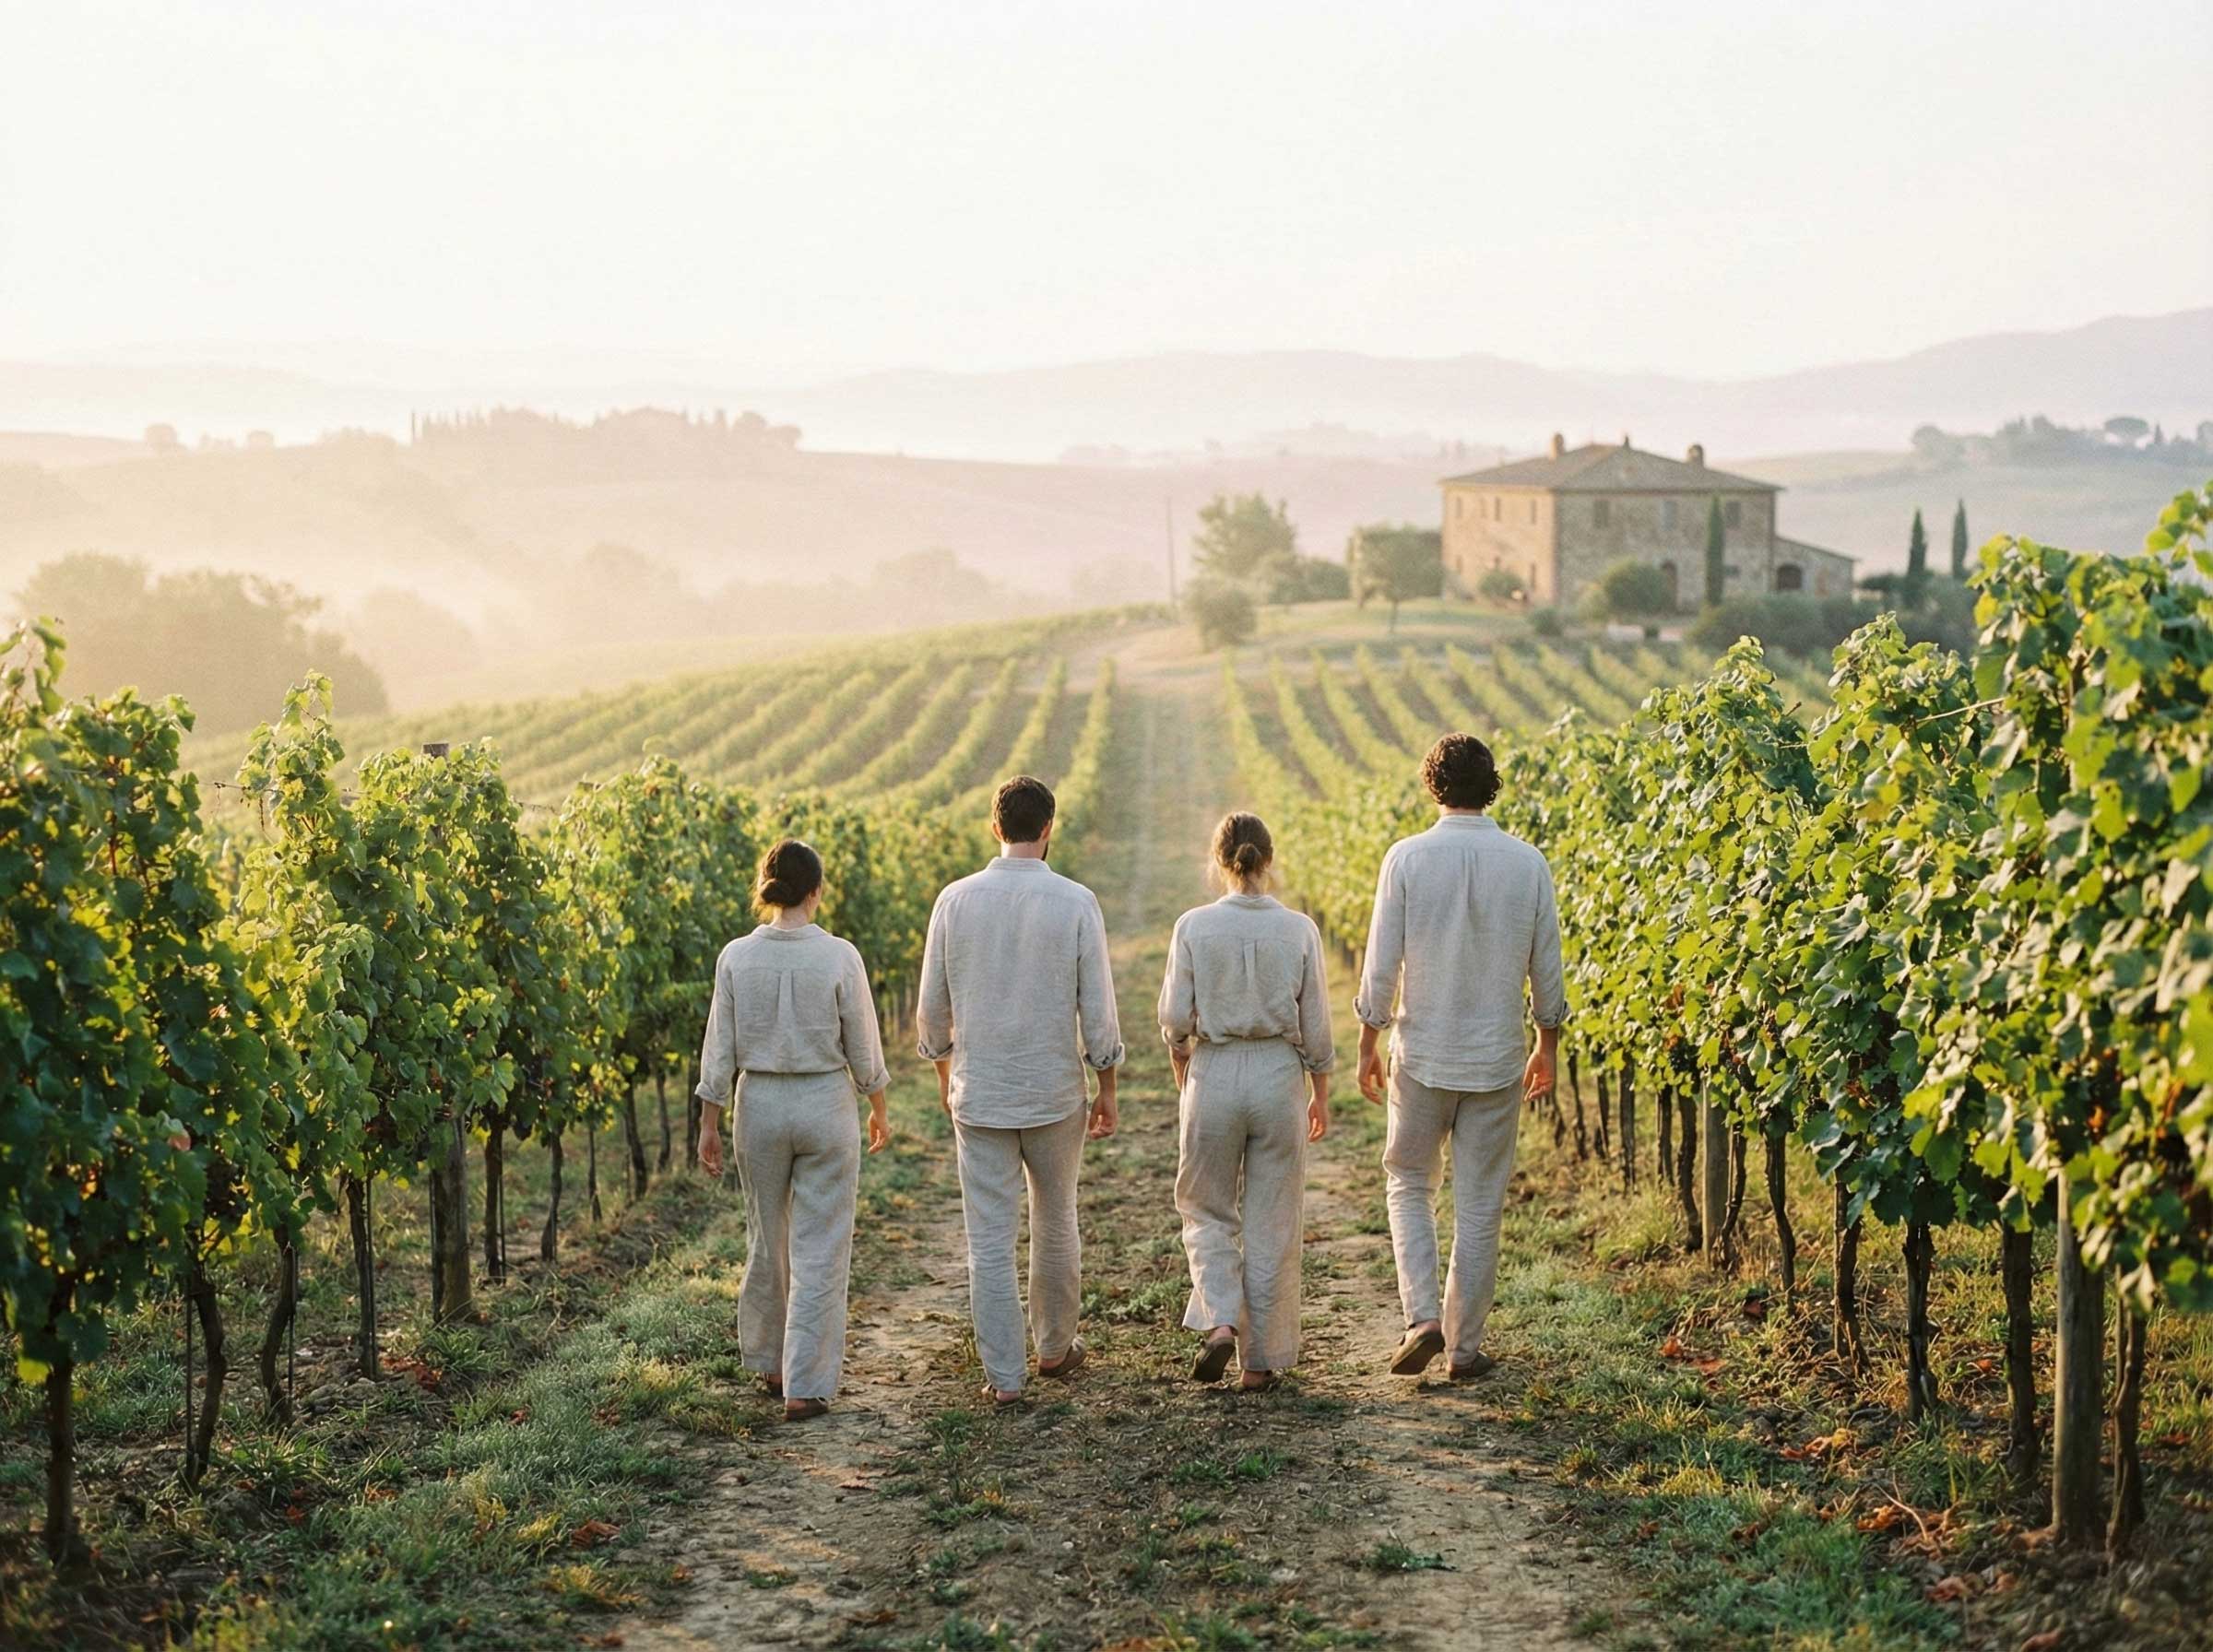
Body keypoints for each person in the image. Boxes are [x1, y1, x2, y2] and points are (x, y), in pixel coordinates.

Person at [1355, 734, 1566, 1382]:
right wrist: (1547, 1043)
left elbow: (1381, 960)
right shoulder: (1527, 863)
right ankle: (1465, 1350)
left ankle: (1422, 1318)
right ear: (1491, 785)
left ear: (1433, 786)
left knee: (1408, 1182)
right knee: (1479, 1204)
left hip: (1422, 1054)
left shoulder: (1407, 858)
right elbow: (1548, 967)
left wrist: (1368, 1036)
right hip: (1497, 1058)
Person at [917, 774, 1123, 1405]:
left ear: (994, 826)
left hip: (981, 1093)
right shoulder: (1075, 901)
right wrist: (1106, 1082)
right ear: (1050, 827)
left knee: (988, 1237)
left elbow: (930, 1013)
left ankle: (1004, 1378)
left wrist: (946, 1073)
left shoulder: (953, 901)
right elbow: (1100, 1012)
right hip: (1054, 1090)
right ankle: (1056, 1348)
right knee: (1056, 1215)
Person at [696, 838, 892, 1422]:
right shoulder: (839, 956)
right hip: (825, 1101)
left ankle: (770, 1362)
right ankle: (804, 1383)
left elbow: (718, 1050)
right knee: (822, 1246)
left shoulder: (735, 956)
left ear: (766, 888)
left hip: (757, 1103)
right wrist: (877, 1102)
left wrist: (709, 1121)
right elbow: (863, 1042)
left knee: (766, 1236)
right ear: (816, 891)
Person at [1158, 812, 1332, 1391]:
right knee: (1274, 1220)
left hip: (1216, 1069)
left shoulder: (1193, 926)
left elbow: (1174, 1017)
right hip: (1279, 1074)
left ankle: (1222, 1318)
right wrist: (1321, 1091)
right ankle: (1259, 1364)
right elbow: (1318, 1028)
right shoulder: (1300, 929)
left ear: (1218, 862)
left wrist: (1181, 1053)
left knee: (1204, 1207)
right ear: (1270, 860)